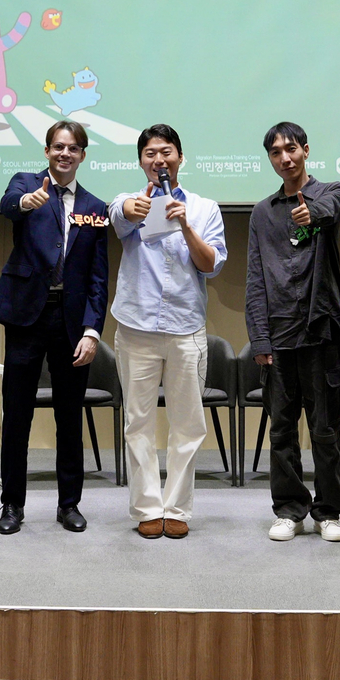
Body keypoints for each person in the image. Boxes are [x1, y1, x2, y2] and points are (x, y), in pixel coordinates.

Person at [0, 121, 109, 535]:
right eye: (58, 147)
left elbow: (97, 277)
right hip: (26, 316)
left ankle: (69, 504)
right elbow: (7, 206)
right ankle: (11, 505)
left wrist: (92, 331)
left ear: (83, 155)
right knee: (17, 415)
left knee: (69, 418)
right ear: (47, 151)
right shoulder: (26, 184)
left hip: (71, 322)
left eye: (73, 148)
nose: (65, 153)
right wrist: (27, 202)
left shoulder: (95, 206)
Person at [110, 124, 227, 539]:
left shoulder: (204, 207)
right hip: (136, 326)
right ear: (141, 161)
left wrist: (185, 225)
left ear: (180, 157)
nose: (158, 160)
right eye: (150, 154)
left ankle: (176, 507)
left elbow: (211, 264)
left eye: (166, 152)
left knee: (187, 423)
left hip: (185, 328)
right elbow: (118, 218)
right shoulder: (130, 202)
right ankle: (146, 507)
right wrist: (136, 206)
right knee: (137, 420)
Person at [245, 122, 340, 543]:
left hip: (322, 334)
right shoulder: (261, 212)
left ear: (306, 150)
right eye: (276, 153)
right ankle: (289, 509)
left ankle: (328, 511)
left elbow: (336, 204)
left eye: (291, 149)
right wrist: (259, 339)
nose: (285, 158)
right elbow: (255, 278)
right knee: (281, 430)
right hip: (278, 336)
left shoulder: (328, 194)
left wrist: (313, 211)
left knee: (325, 428)